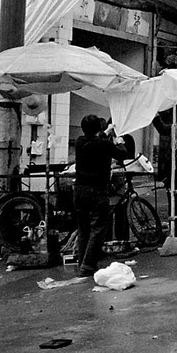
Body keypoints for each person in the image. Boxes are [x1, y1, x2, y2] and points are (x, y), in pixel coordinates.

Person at [74, 115, 126, 277]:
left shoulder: (79, 142)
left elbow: (94, 140)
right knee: (98, 228)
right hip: (97, 190)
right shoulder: (104, 144)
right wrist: (119, 140)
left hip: (80, 190)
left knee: (83, 228)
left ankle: (83, 262)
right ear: (98, 128)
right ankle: (88, 265)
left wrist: (105, 132)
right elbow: (122, 154)